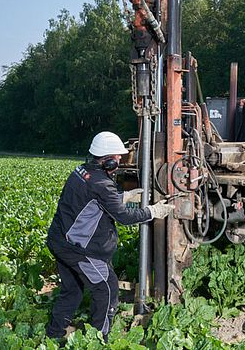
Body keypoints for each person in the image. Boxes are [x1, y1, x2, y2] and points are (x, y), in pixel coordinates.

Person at [45, 131, 173, 341]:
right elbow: (123, 217)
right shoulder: (102, 184)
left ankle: (54, 334)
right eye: (117, 157)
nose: (121, 160)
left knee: (72, 291)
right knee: (106, 289)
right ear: (107, 161)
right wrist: (153, 212)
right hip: (78, 249)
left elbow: (92, 200)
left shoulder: (81, 171)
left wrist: (122, 196)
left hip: (59, 240)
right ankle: (98, 340)